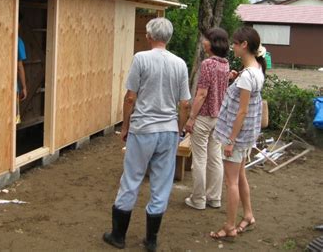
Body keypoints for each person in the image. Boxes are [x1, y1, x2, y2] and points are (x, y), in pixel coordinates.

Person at [103, 17, 191, 251]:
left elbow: (130, 97)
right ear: (169, 38)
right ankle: (151, 240)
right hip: (168, 130)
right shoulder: (180, 64)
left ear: (150, 36)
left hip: (143, 129)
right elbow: (185, 104)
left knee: (131, 179)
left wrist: (125, 127)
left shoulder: (141, 59)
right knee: (162, 184)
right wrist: (179, 128)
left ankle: (118, 236)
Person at [210, 26, 266, 240]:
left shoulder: (247, 75)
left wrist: (230, 141)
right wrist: (236, 78)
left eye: (235, 43)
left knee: (231, 182)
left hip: (236, 137)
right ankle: (249, 215)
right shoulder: (256, 70)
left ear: (244, 45)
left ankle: (229, 227)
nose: (232, 46)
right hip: (247, 137)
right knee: (240, 176)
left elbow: (242, 111)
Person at [184, 28, 230, 210]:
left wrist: (191, 118)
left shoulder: (208, 64)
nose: (203, 42)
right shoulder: (225, 64)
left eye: (206, 39)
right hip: (219, 118)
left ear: (212, 43)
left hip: (203, 117)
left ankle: (198, 199)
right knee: (215, 158)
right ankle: (215, 198)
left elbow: (202, 93)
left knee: (200, 159)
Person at [16, 35, 27, 124]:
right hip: (13, 88)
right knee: (14, 119)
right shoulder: (18, 41)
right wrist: (24, 87)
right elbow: (19, 66)